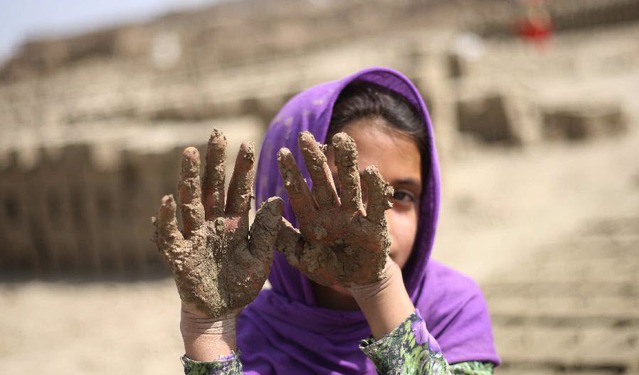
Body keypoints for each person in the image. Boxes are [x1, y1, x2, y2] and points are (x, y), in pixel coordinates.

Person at [153, 67, 500, 374]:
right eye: (340, 193)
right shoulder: (250, 332)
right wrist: (208, 330)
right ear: (287, 197)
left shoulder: (452, 307)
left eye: (401, 197)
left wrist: (376, 286)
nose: (375, 224)